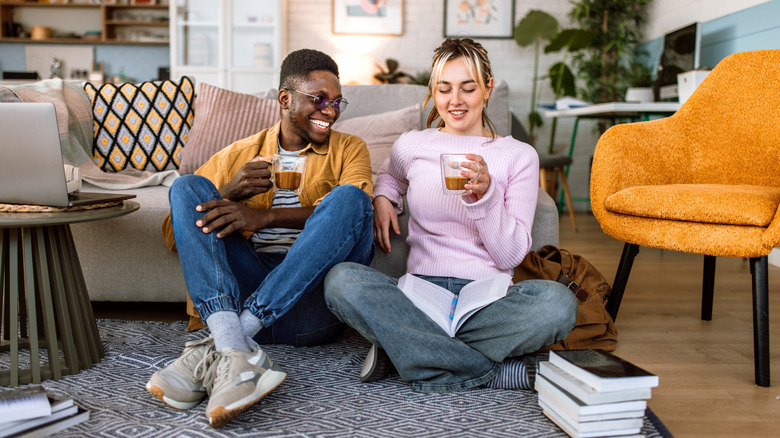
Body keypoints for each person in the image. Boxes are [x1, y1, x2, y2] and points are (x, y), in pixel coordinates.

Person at [323, 38, 578, 393]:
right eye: (444, 89)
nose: (454, 101)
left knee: (558, 305)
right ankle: (491, 372)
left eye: (468, 88)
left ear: (488, 89)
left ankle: (406, 352)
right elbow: (390, 176)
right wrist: (383, 197)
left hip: (487, 301)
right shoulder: (413, 144)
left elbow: (511, 255)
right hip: (420, 295)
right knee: (341, 281)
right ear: (433, 91)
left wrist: (486, 197)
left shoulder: (518, 155)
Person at [146, 48, 375, 428]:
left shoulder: (349, 149)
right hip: (243, 291)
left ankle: (230, 342)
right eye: (318, 100)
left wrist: (263, 215)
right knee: (187, 187)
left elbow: (356, 214)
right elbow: (176, 235)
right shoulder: (239, 154)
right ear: (285, 99)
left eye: (336, 102)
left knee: (350, 198)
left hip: (310, 308)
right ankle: (233, 347)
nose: (330, 111)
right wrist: (230, 195)